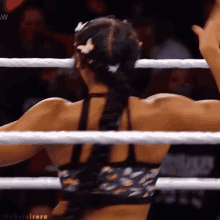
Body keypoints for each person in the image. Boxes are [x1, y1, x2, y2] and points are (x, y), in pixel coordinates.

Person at [1, 10, 220, 220]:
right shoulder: (162, 112)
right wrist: (212, 51)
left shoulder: (54, 115)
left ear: (79, 60)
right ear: (133, 61)